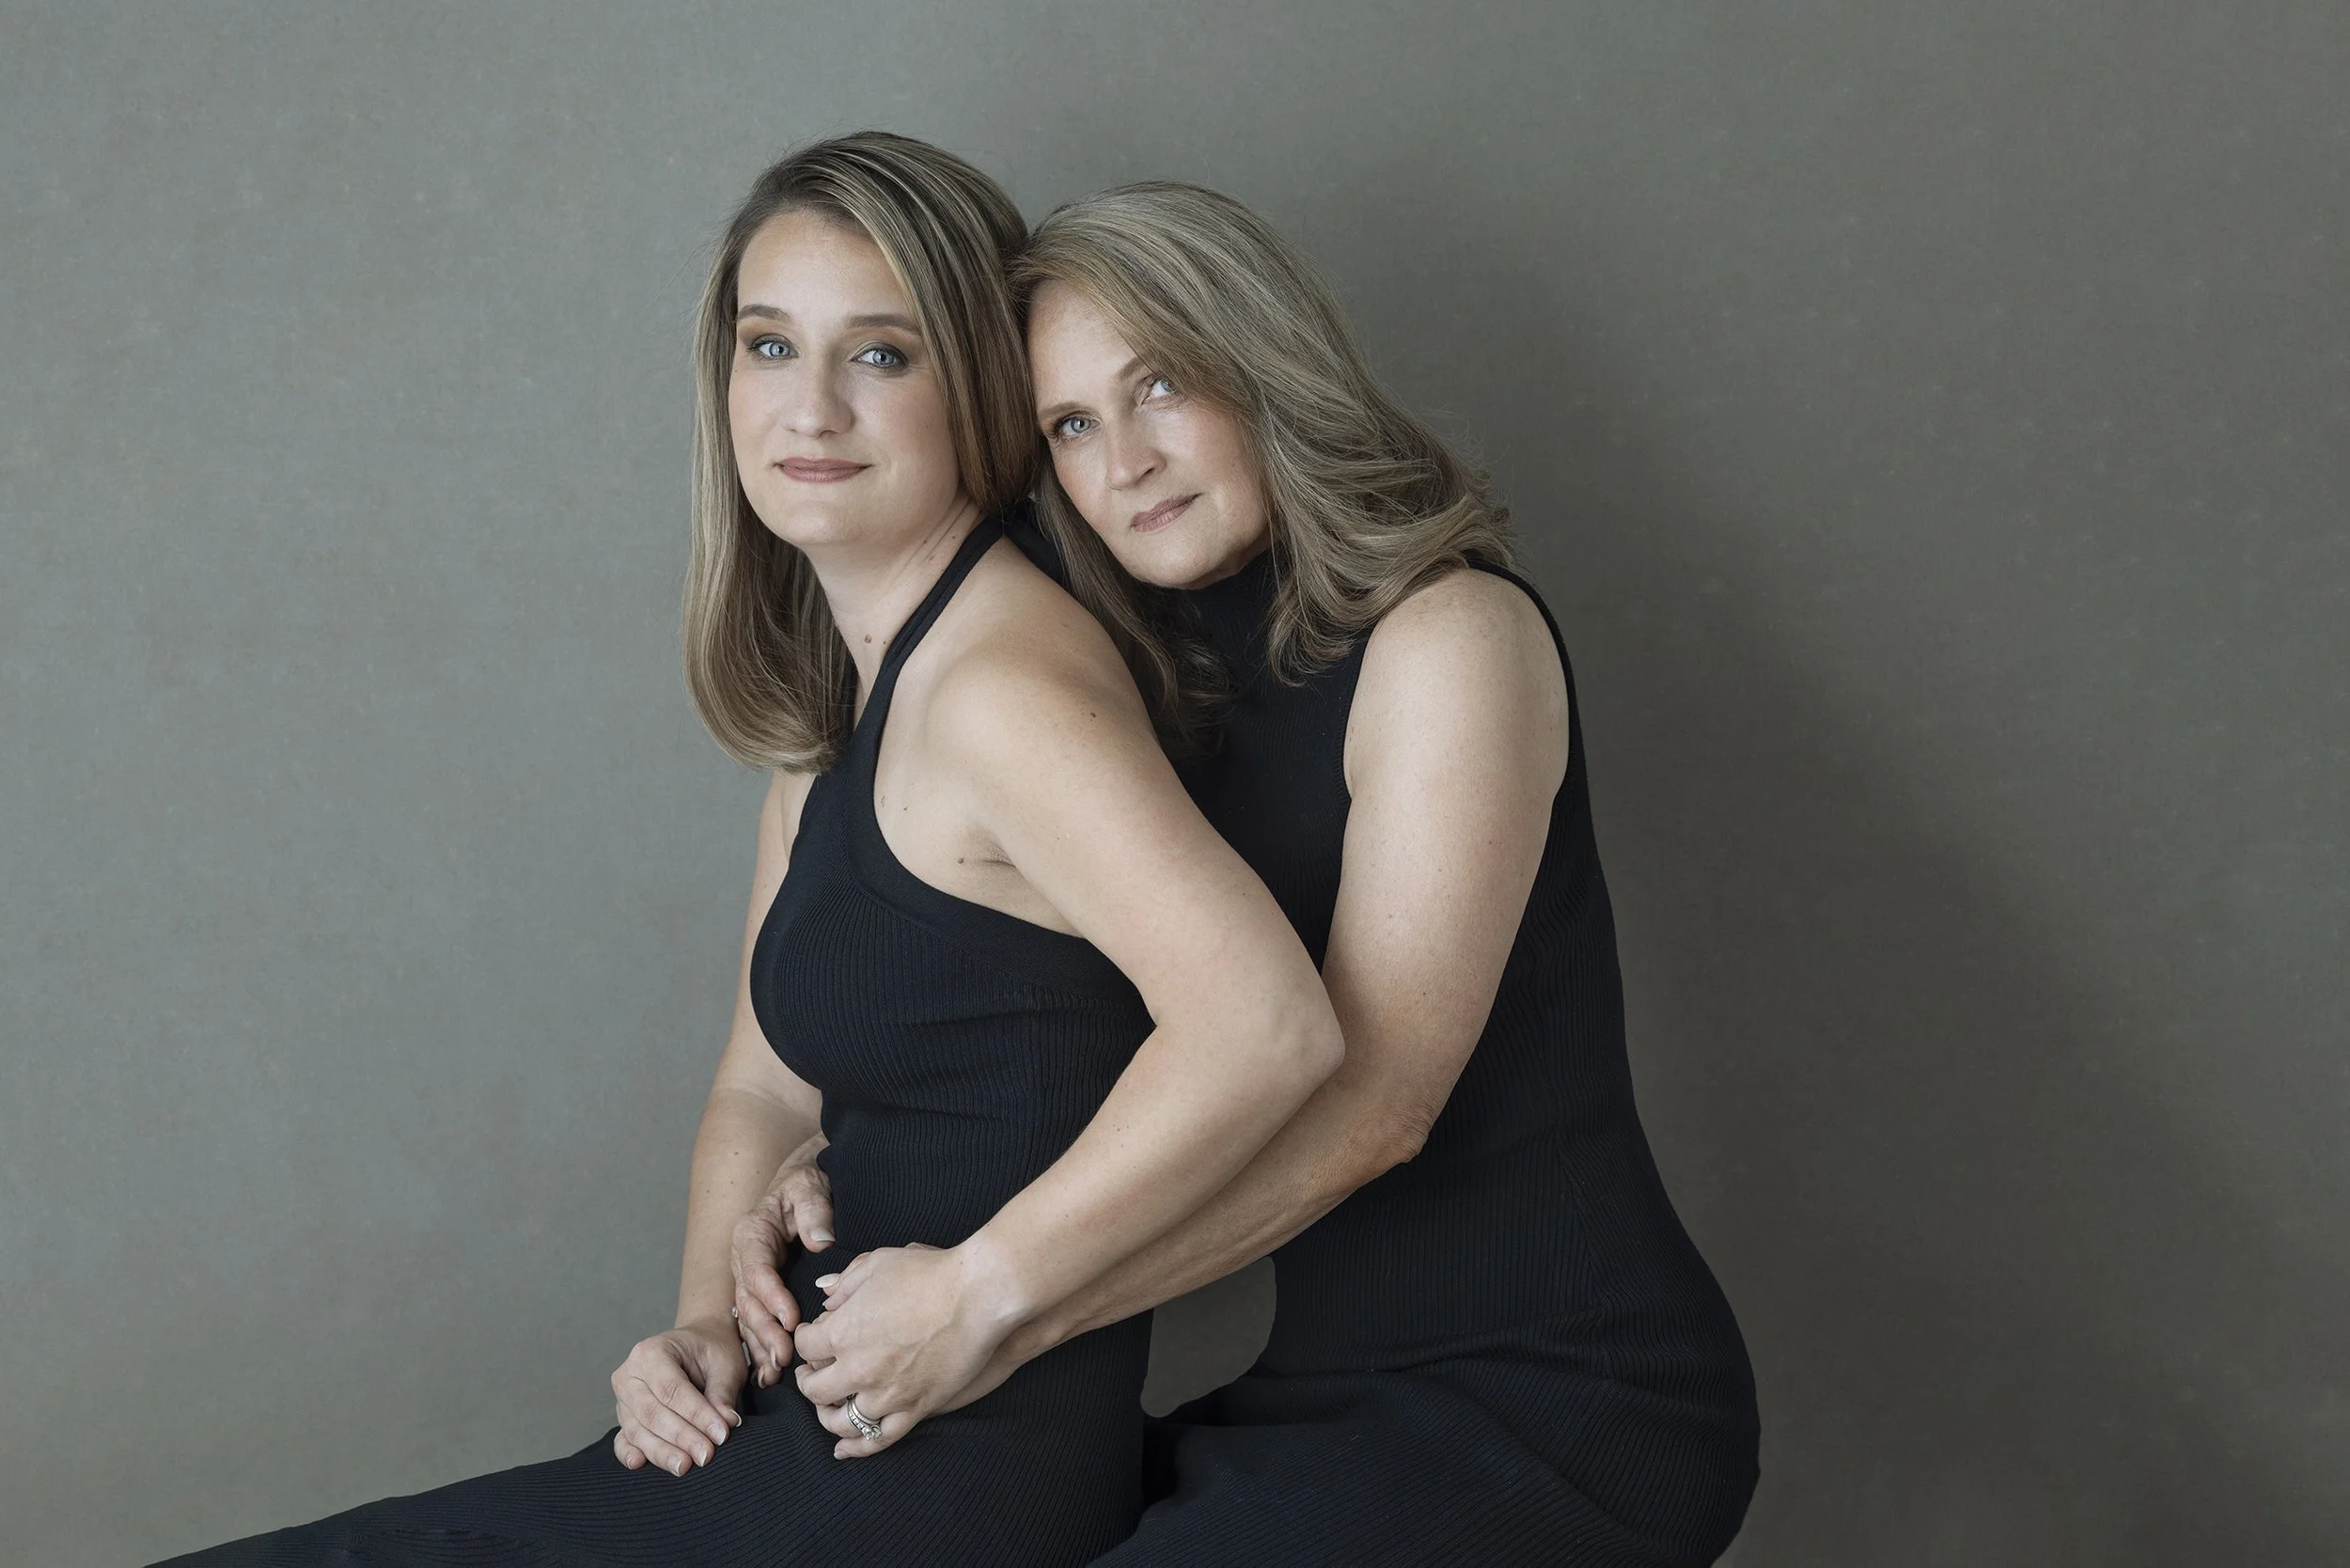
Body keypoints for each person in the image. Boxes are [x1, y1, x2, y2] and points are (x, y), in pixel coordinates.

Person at [159, 138, 1342, 1568]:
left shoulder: (999, 694)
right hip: (807, 1426)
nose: (812, 408)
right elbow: (764, 1081)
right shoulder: (850, 697)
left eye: (884, 356)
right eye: (770, 344)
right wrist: (703, 1328)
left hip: (939, 1466)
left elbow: (1267, 1026)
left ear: (975, 388)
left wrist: (983, 1294)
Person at [735, 182, 1761, 1565]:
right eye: (1072, 428)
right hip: (1314, 1396)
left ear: (1264, 370)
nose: (1129, 462)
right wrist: (830, 1164)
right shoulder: (1134, 690)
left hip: (1571, 1394)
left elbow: (1376, 1104)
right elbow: (1050, 1032)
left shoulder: (1449, 636)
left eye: (1160, 386)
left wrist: (994, 1302)